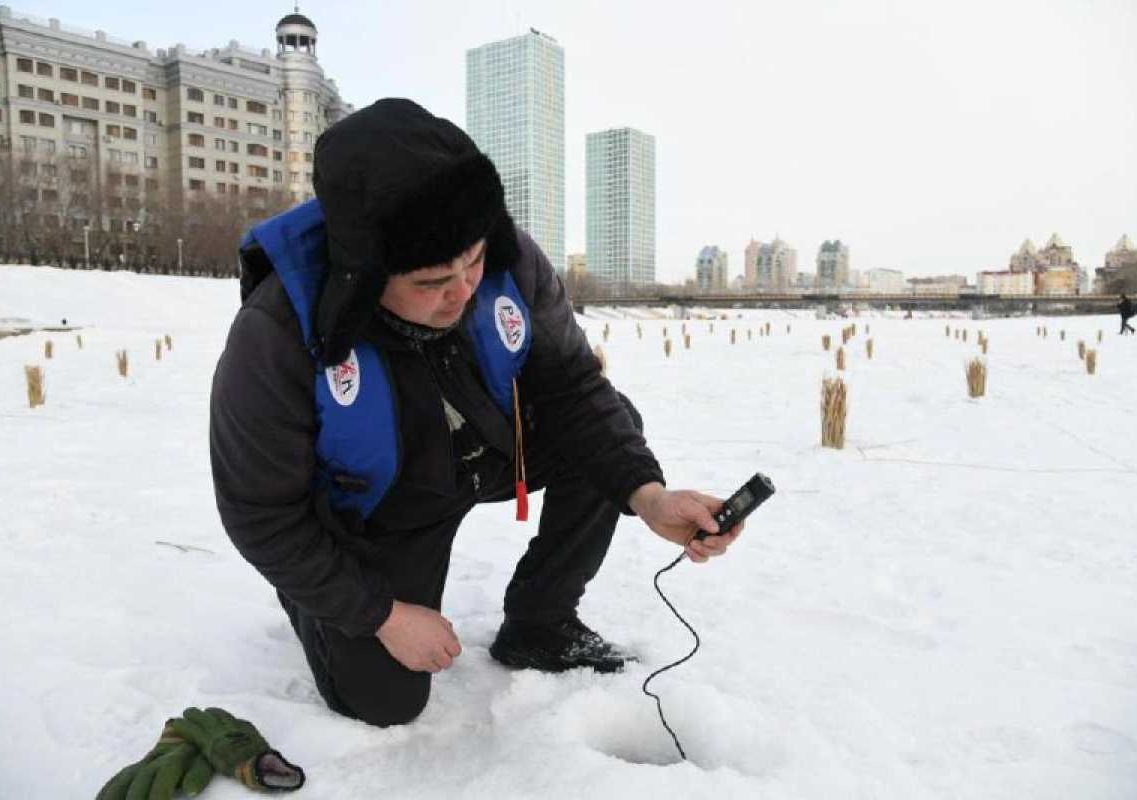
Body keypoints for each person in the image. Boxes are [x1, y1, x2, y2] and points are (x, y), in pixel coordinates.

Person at [209, 99, 743, 729]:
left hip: (486, 452)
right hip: (382, 506)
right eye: (432, 282)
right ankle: (316, 602)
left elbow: (573, 390)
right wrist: (380, 614)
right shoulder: (275, 332)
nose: (463, 292)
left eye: (473, 262)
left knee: (612, 424)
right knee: (385, 702)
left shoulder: (509, 258)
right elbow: (261, 513)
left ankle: (540, 621)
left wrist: (648, 496)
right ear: (365, 273)